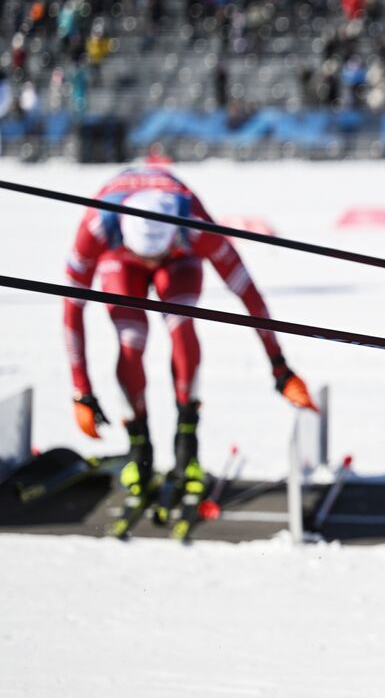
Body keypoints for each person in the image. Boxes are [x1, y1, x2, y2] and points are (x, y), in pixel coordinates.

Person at [63, 165, 315, 505]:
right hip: (121, 261)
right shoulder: (96, 227)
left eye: (157, 256)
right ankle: (140, 450)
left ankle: (187, 449)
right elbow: (71, 310)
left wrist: (279, 366)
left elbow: (248, 293)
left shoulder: (196, 224)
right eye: (145, 256)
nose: (151, 265)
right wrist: (81, 391)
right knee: (130, 339)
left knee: (181, 324)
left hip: (179, 260)